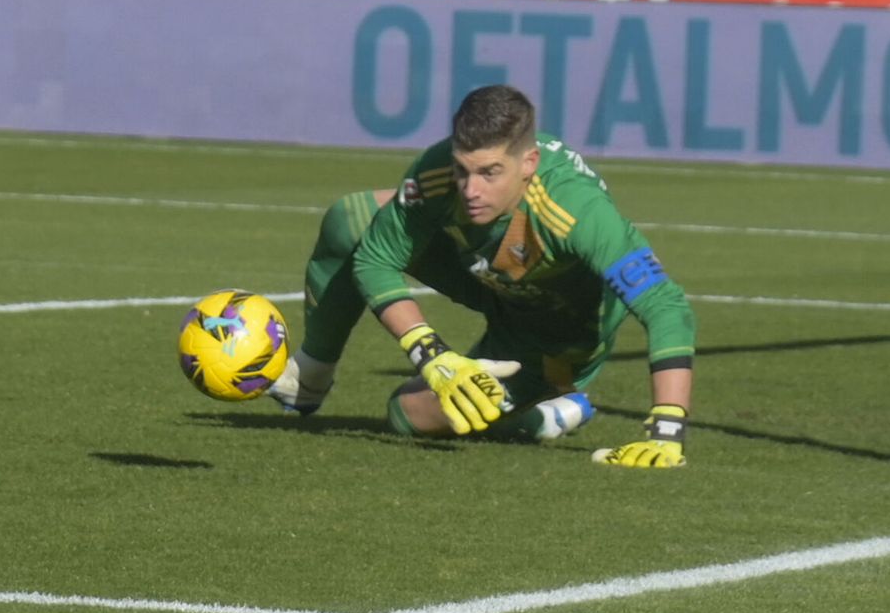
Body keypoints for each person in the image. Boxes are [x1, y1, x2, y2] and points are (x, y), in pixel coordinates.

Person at [268, 84, 698, 469]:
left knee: (408, 415)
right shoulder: (438, 172)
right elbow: (375, 259)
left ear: (529, 162)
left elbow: (665, 305)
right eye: (462, 169)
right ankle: (310, 376)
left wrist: (667, 429)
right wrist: (433, 356)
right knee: (352, 219)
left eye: (490, 172)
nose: (471, 190)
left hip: (556, 332)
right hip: (483, 274)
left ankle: (542, 417)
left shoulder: (578, 211)